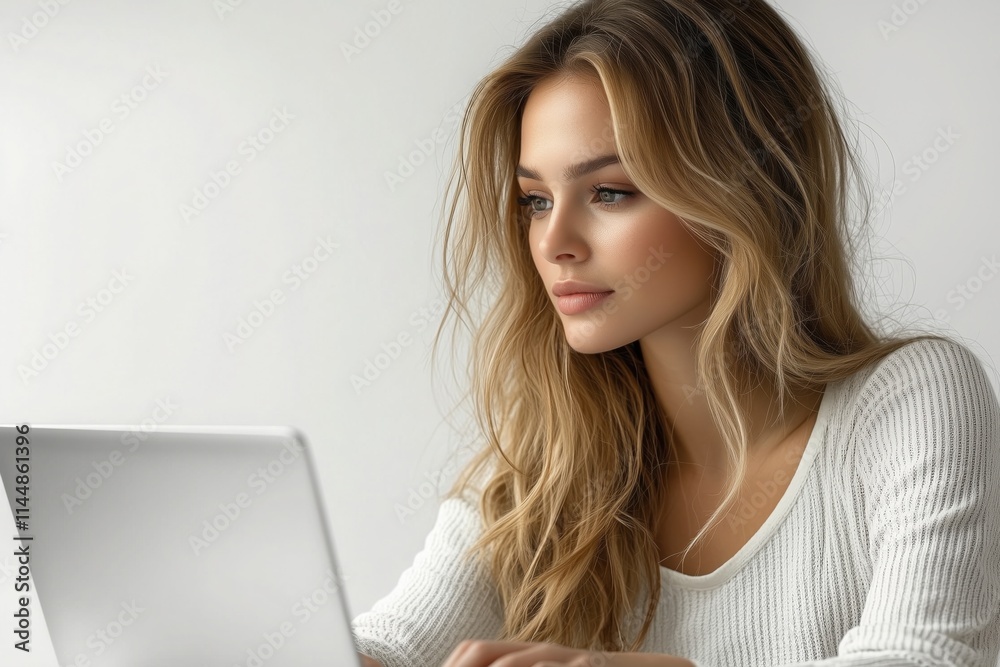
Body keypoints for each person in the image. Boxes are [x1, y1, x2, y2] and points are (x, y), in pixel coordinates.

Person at [353, 0, 1000, 665]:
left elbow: (919, 657)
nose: (553, 242)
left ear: (746, 186)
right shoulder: (548, 462)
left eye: (609, 191)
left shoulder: (911, 403)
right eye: (535, 200)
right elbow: (394, 643)